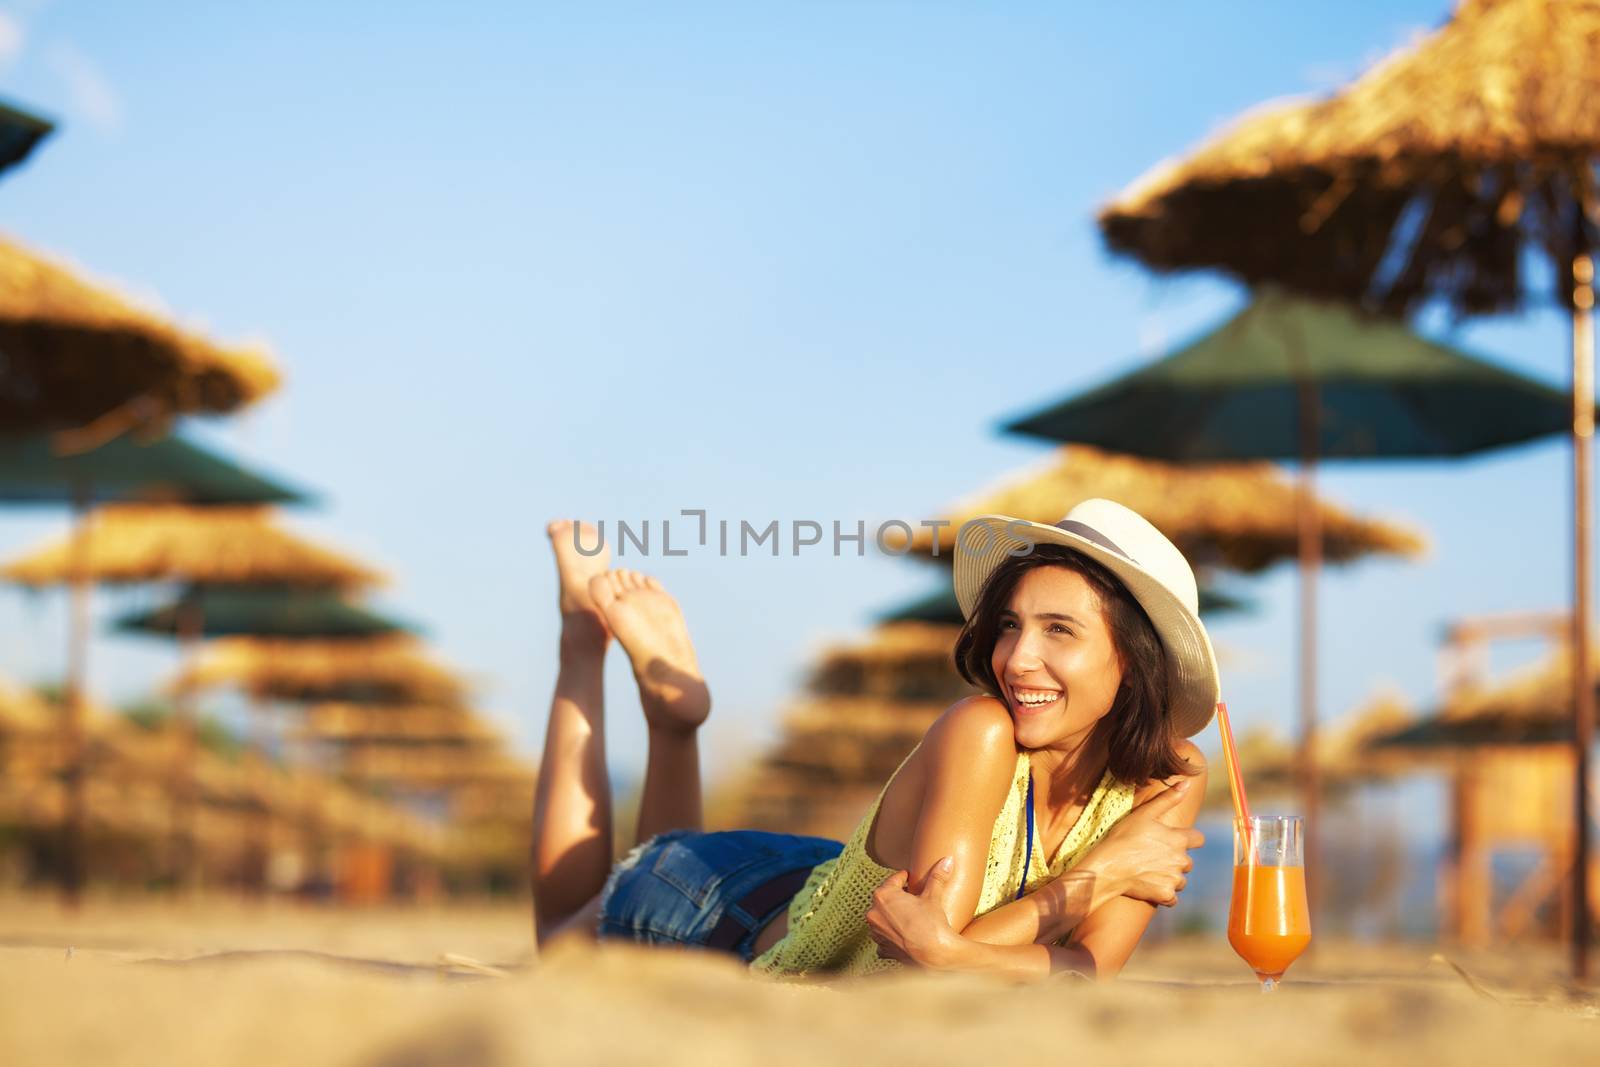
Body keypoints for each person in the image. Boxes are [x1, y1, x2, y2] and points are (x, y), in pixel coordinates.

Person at [531, 499, 1214, 981]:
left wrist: (955, 951)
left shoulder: (1172, 778)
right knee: (558, 935)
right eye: (1009, 624)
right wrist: (1106, 875)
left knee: (657, 858)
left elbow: (1085, 971)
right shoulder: (981, 731)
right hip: (740, 921)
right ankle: (581, 642)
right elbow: (921, 960)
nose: (1016, 657)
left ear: (1133, 662)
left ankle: (672, 720)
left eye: (1059, 630)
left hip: (820, 878)